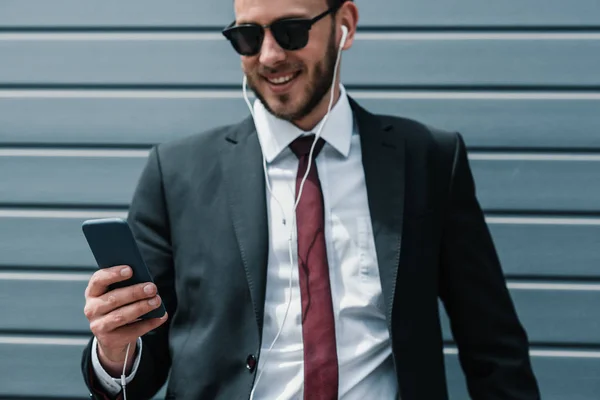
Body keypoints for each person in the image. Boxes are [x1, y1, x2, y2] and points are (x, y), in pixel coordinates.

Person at [81, 0, 541, 399]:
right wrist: (115, 351)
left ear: (346, 23)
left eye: (291, 30)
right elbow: (139, 376)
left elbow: (493, 348)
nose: (270, 55)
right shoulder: (176, 172)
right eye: (247, 36)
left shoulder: (428, 159)